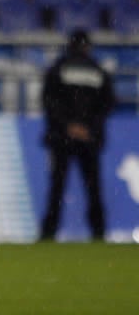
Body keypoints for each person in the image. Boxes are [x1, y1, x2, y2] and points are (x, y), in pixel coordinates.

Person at [40, 29, 116, 241]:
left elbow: (49, 102)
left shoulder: (58, 69)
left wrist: (68, 126)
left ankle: (48, 233)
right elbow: (107, 104)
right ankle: (99, 233)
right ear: (87, 47)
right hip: (89, 139)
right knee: (93, 188)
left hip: (62, 137)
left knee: (57, 188)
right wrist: (88, 127)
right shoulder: (98, 71)